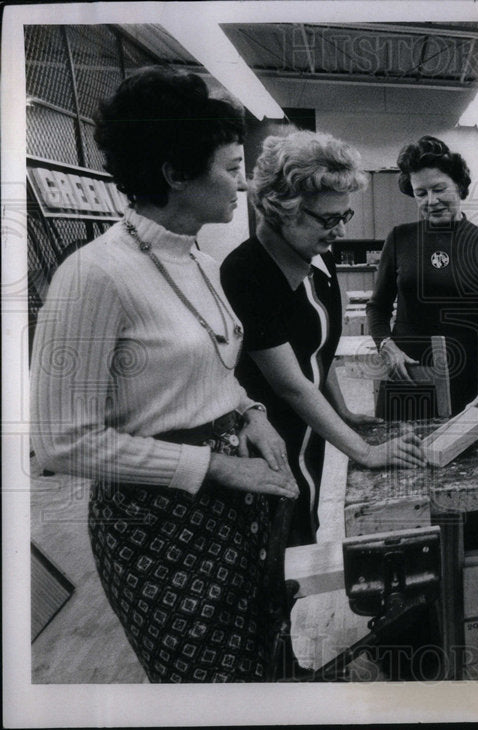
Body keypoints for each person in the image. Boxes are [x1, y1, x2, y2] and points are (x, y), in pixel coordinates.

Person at [30, 67, 299, 683]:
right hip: (159, 529)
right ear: (175, 174)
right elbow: (59, 440)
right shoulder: (93, 276)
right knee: (209, 688)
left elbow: (212, 363)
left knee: (259, 668)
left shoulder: (199, 260)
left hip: (234, 503)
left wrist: (251, 415)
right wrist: (214, 465)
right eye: (231, 169)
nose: (244, 185)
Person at [221, 131, 426, 548]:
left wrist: (345, 411)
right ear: (282, 209)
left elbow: (320, 351)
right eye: (328, 219)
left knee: (305, 528)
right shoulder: (247, 272)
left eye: (344, 217)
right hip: (268, 441)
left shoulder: (318, 255)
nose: (338, 232)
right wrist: (364, 453)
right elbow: (290, 384)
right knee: (276, 551)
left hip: (310, 432)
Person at [367, 135, 478, 421]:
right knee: (400, 454)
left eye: (439, 189)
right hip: (407, 369)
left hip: (465, 368)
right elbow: (378, 307)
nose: (431, 201)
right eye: (421, 193)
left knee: (464, 457)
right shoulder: (400, 237)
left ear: (459, 185)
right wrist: (386, 345)